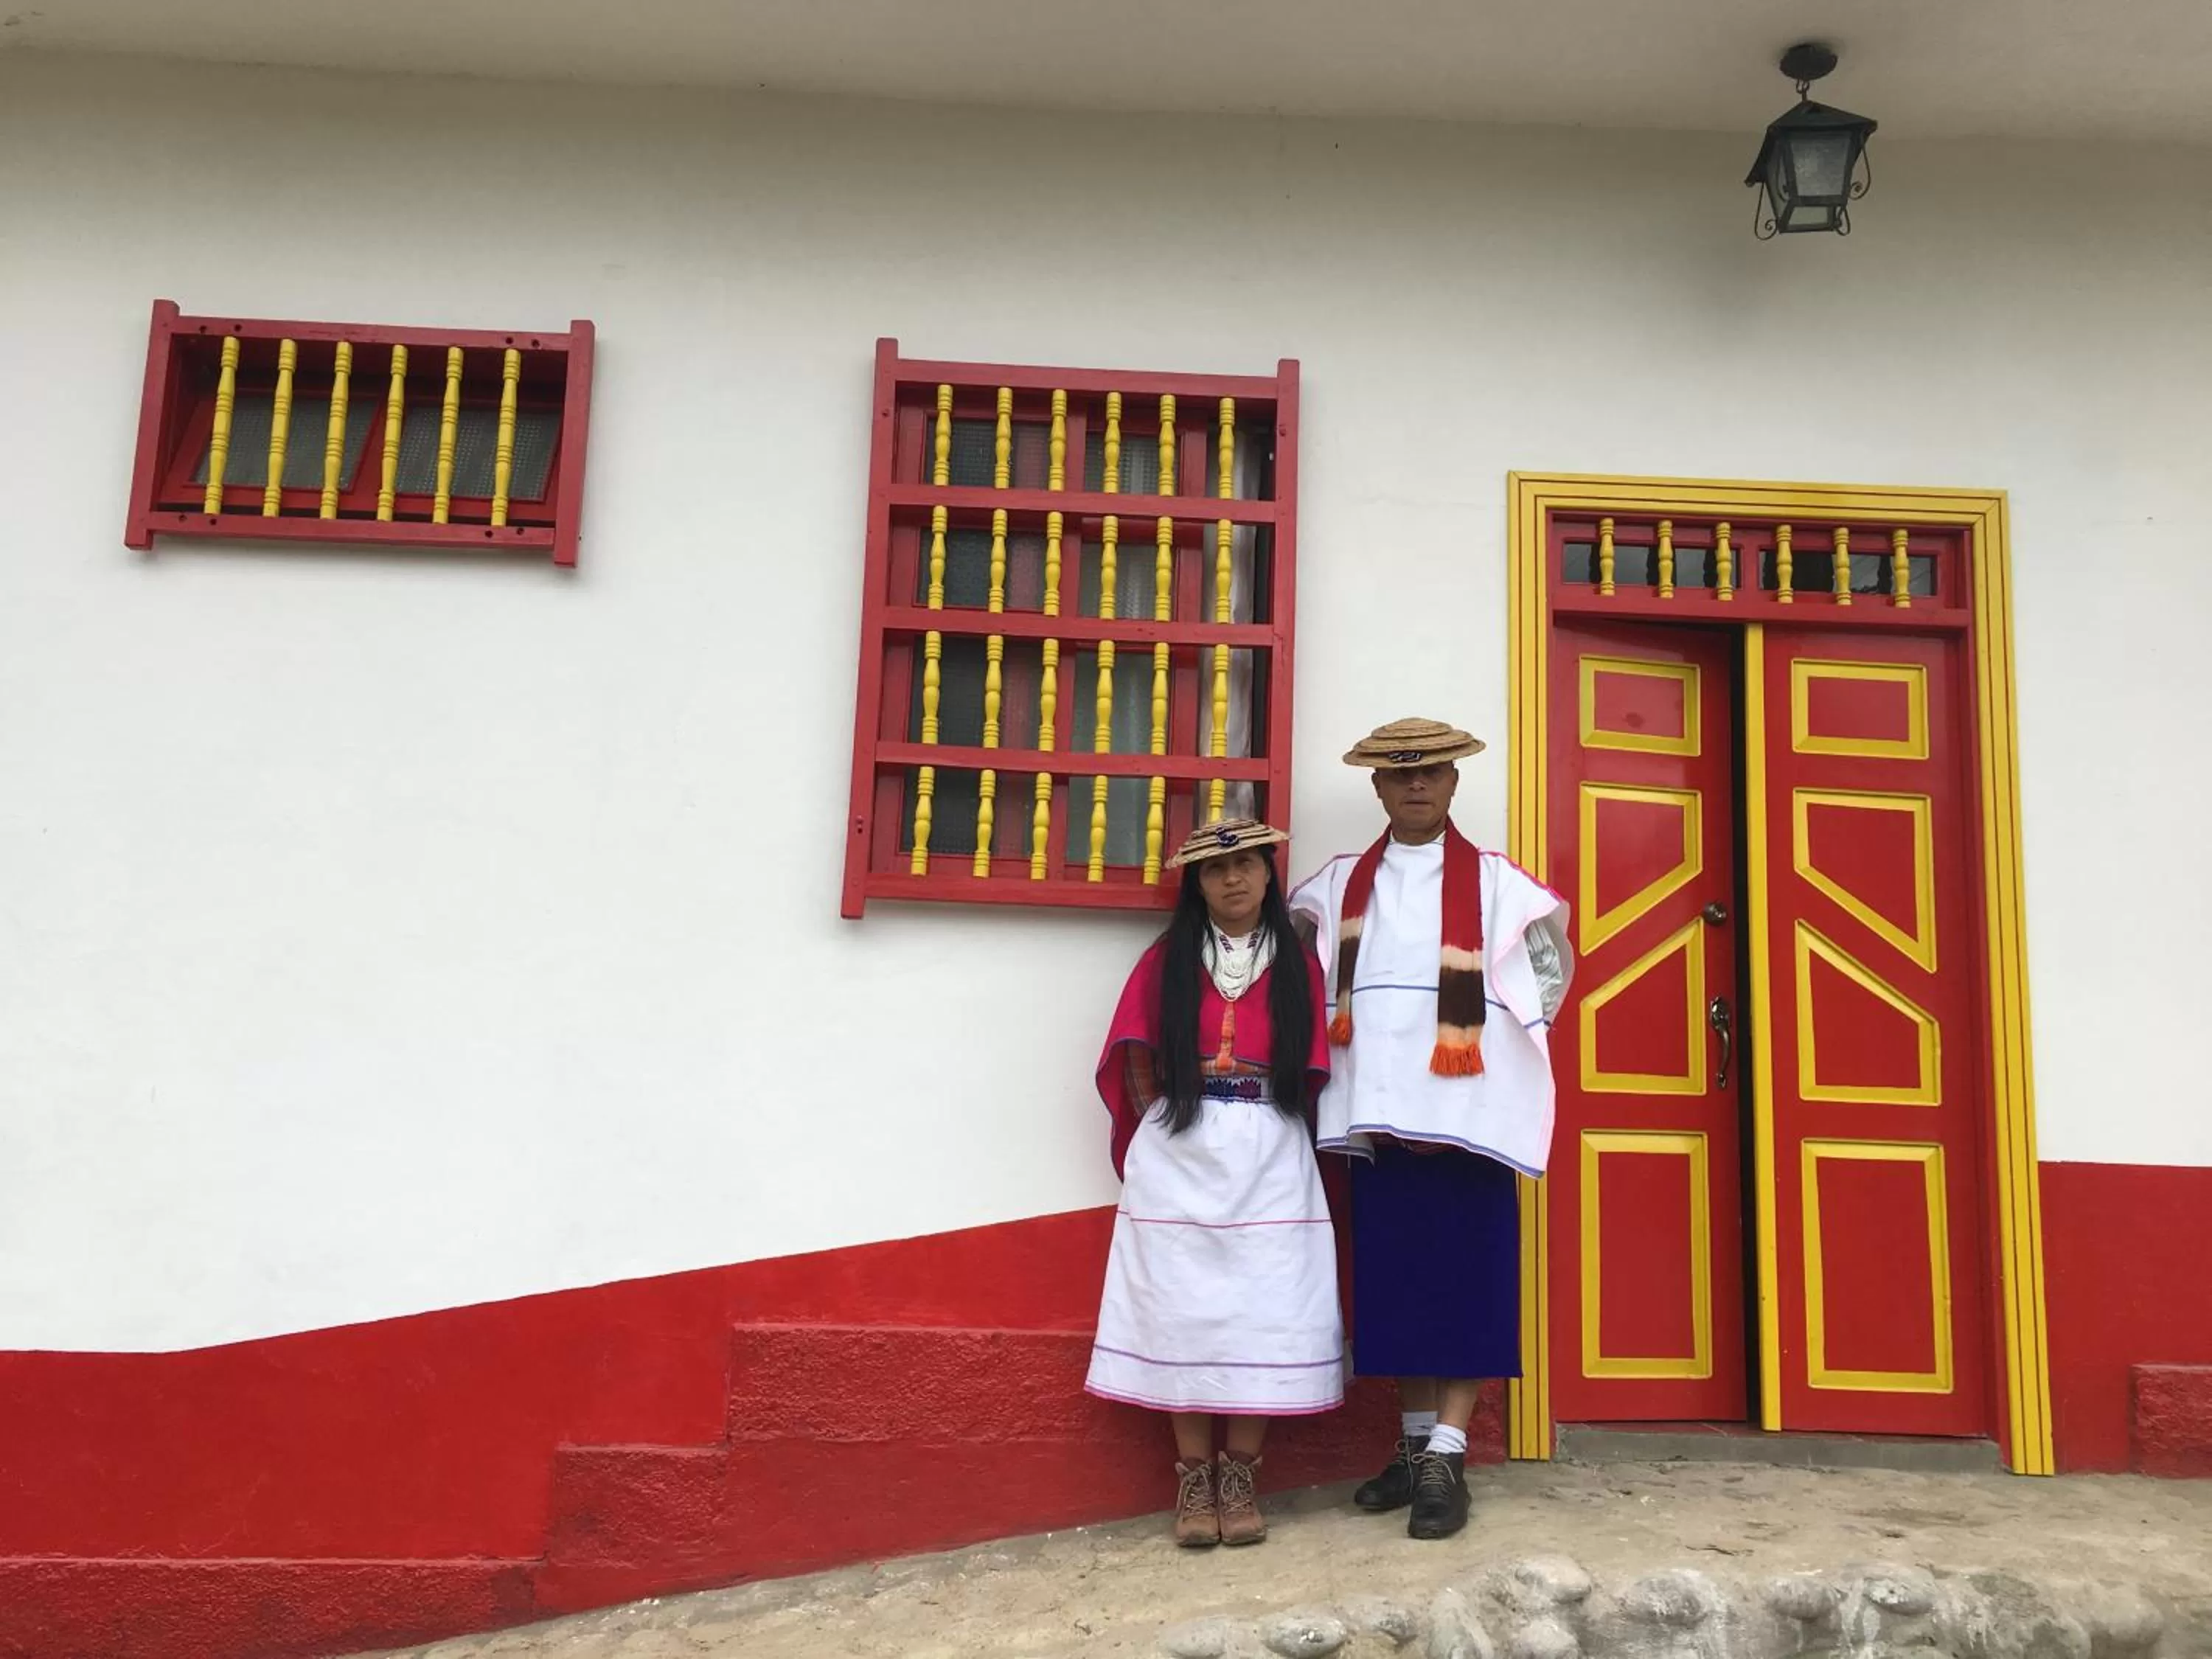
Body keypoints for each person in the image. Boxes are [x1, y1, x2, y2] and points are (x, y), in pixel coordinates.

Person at [1289, 717, 1573, 1541]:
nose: (1417, 786)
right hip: (1381, 1117)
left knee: (1468, 1284)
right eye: (1400, 774)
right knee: (1398, 1286)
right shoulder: (1336, 884)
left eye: (1433, 773)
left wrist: (1504, 1053)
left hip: (1466, 1120)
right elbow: (1302, 972)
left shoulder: (1498, 885)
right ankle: (1415, 1453)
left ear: (1454, 785)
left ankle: (1450, 1451)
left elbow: (1549, 971)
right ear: (1378, 788)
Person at [1088, 816, 1339, 1549]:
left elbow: (1318, 1070)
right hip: (1181, 1147)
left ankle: (1242, 1474)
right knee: (1185, 1310)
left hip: (1270, 1147)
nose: (1233, 880)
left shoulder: (1298, 962)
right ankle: (1194, 1477)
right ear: (1196, 886)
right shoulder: (1165, 961)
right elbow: (1136, 1058)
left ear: (1268, 875)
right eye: (1214, 870)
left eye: (1248, 866)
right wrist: (1163, 1135)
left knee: (1264, 1306)